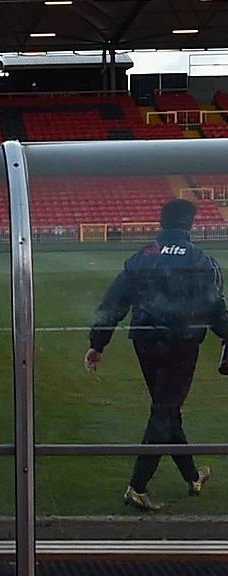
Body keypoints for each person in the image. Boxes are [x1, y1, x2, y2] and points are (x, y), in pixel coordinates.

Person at [86, 199, 228, 511]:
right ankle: (137, 486)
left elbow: (114, 301)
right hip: (181, 342)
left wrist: (98, 342)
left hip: (145, 341)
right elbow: (214, 307)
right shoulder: (200, 259)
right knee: (164, 411)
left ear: (161, 224)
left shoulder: (142, 256)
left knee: (166, 409)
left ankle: (192, 476)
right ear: (189, 225)